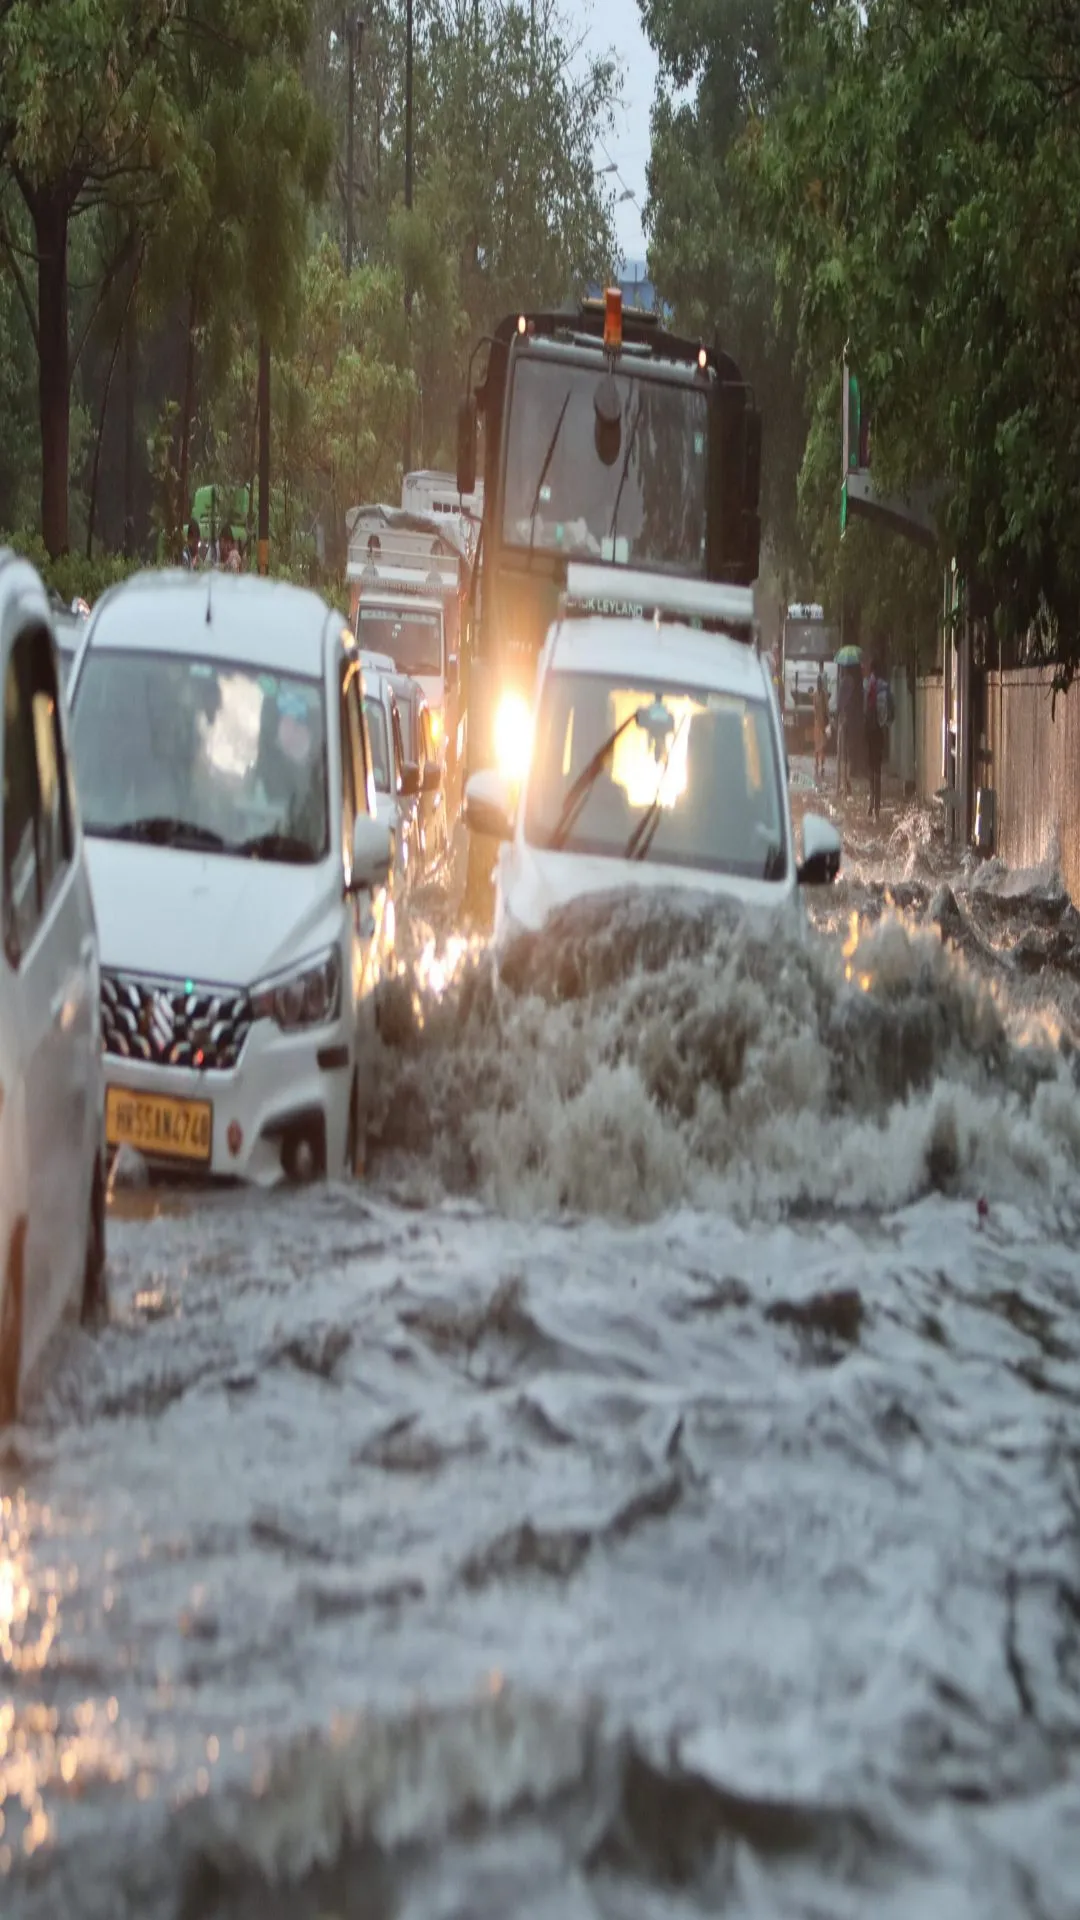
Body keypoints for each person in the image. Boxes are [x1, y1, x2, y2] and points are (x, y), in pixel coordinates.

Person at [864, 658, 885, 821]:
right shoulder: (885, 688)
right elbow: (892, 712)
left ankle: (872, 803)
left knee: (871, 768)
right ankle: (877, 807)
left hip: (869, 732)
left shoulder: (866, 686)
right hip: (880, 732)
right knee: (878, 768)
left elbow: (863, 710)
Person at [835, 664, 855, 797]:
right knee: (849, 752)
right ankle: (847, 779)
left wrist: (837, 717)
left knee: (841, 753)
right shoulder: (853, 683)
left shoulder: (842, 684)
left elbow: (838, 703)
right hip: (852, 720)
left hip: (843, 720)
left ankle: (842, 784)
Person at [813, 665, 829, 784]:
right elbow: (815, 708)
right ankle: (817, 764)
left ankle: (821, 765)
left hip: (821, 723)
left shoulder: (823, 694)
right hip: (818, 723)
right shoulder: (816, 695)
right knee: (817, 745)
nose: (818, 685)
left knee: (822, 746)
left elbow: (826, 710)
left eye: (819, 683)